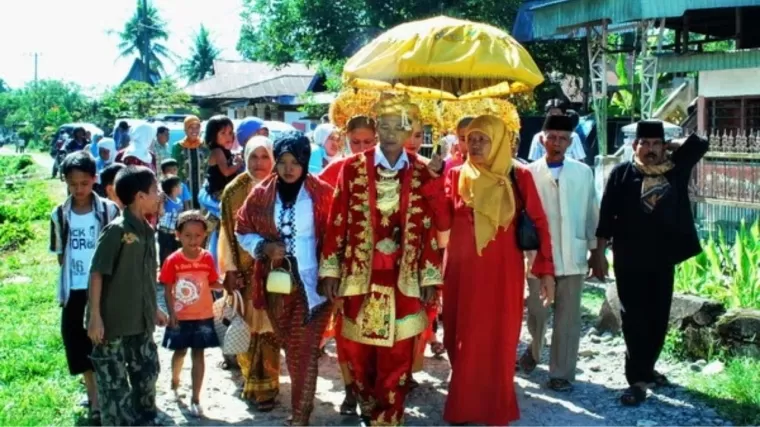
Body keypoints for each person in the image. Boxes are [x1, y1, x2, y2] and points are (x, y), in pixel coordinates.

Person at [318, 95, 445, 426]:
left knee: (398, 355)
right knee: (359, 354)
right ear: (377, 130)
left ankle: (388, 418)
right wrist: (330, 271)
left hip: (404, 279)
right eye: (383, 127)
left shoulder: (421, 171)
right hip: (360, 276)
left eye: (397, 127)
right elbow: (337, 222)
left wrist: (430, 278)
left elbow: (431, 227)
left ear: (409, 132)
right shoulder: (352, 169)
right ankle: (367, 406)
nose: (390, 134)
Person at [440, 115, 555, 425]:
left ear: (499, 142)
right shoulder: (455, 176)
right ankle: (464, 404)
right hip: (460, 272)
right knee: (457, 336)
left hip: (501, 273)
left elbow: (540, 224)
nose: (475, 145)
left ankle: (494, 407)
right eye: (472, 138)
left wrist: (545, 271)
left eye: (483, 139)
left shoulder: (519, 176)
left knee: (496, 338)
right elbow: (440, 221)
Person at [594, 121, 708, 406]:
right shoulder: (622, 174)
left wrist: (671, 146)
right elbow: (606, 216)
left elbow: (701, 144)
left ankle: (647, 367)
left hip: (662, 257)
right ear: (635, 146)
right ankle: (636, 379)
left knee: (658, 316)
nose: (650, 149)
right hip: (629, 258)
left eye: (656, 143)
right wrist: (598, 254)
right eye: (645, 143)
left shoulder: (675, 169)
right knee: (633, 317)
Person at [235, 131, 334, 426]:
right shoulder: (261, 194)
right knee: (292, 347)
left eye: (295, 162)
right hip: (276, 285)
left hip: (315, 285)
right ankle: (302, 407)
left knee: (304, 349)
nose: (289, 168)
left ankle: (300, 416)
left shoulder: (323, 193)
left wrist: (332, 274)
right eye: (283, 162)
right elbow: (242, 229)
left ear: (305, 161)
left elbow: (338, 236)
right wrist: (263, 247)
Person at [521, 115, 600, 392]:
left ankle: (561, 374)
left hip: (573, 253)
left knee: (568, 317)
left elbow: (592, 211)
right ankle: (533, 350)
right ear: (542, 139)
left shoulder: (583, 172)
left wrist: (595, 250)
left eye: (563, 138)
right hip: (538, 257)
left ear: (570, 141)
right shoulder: (527, 173)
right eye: (551, 137)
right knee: (536, 312)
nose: (557, 143)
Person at [87, 166, 167, 426]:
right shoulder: (117, 231)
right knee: (115, 386)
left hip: (140, 322)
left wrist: (153, 308)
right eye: (155, 190)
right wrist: (96, 318)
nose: (160, 195)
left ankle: (146, 418)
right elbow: (97, 273)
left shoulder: (147, 230)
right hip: (113, 325)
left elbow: (144, 277)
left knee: (147, 373)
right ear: (140, 196)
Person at [50, 152, 120, 424]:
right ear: (66, 182)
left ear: (94, 180)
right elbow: (60, 254)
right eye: (73, 184)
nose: (79, 189)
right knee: (77, 342)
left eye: (84, 183)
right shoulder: (59, 214)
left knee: (105, 340)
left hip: (104, 287)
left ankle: (104, 393)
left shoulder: (108, 210)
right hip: (75, 288)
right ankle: (94, 396)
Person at [317, 115, 378, 415]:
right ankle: (350, 389)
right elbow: (322, 219)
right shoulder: (336, 171)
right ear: (345, 141)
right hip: (346, 265)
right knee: (346, 332)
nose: (362, 148)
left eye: (369, 142)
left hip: (381, 267)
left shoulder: (391, 170)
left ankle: (373, 389)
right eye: (356, 143)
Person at [218, 135, 279, 411]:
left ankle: (268, 385)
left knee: (270, 329)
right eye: (254, 157)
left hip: (276, 273)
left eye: (265, 156)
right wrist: (229, 270)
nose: (259, 163)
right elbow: (226, 233)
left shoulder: (283, 187)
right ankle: (251, 380)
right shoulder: (234, 191)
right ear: (245, 157)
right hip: (245, 273)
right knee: (249, 327)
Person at [160, 210, 222, 417]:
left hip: (203, 315)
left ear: (205, 235)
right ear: (178, 235)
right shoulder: (173, 260)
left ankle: (196, 398)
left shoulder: (207, 258)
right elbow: (167, 288)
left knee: (199, 354)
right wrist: (171, 313)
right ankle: (175, 382)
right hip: (181, 316)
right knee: (180, 352)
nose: (193, 240)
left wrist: (227, 285)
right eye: (187, 235)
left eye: (197, 235)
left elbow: (211, 282)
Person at [319, 115, 377, 186]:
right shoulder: (338, 166)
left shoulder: (386, 166)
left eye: (367, 142)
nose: (362, 148)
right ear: (348, 140)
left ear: (375, 140)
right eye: (356, 142)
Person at [171, 115, 208, 209]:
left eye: (197, 127)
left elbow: (208, 166)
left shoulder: (204, 146)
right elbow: (173, 169)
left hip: (202, 188)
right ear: (185, 129)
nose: (194, 131)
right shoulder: (177, 147)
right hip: (184, 189)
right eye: (191, 127)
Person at [158, 175, 185, 266]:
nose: (181, 187)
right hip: (164, 232)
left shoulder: (179, 201)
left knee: (174, 251)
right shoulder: (165, 200)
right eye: (179, 185)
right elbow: (161, 213)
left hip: (174, 232)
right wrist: (161, 202)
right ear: (174, 188)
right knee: (165, 253)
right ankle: (164, 274)